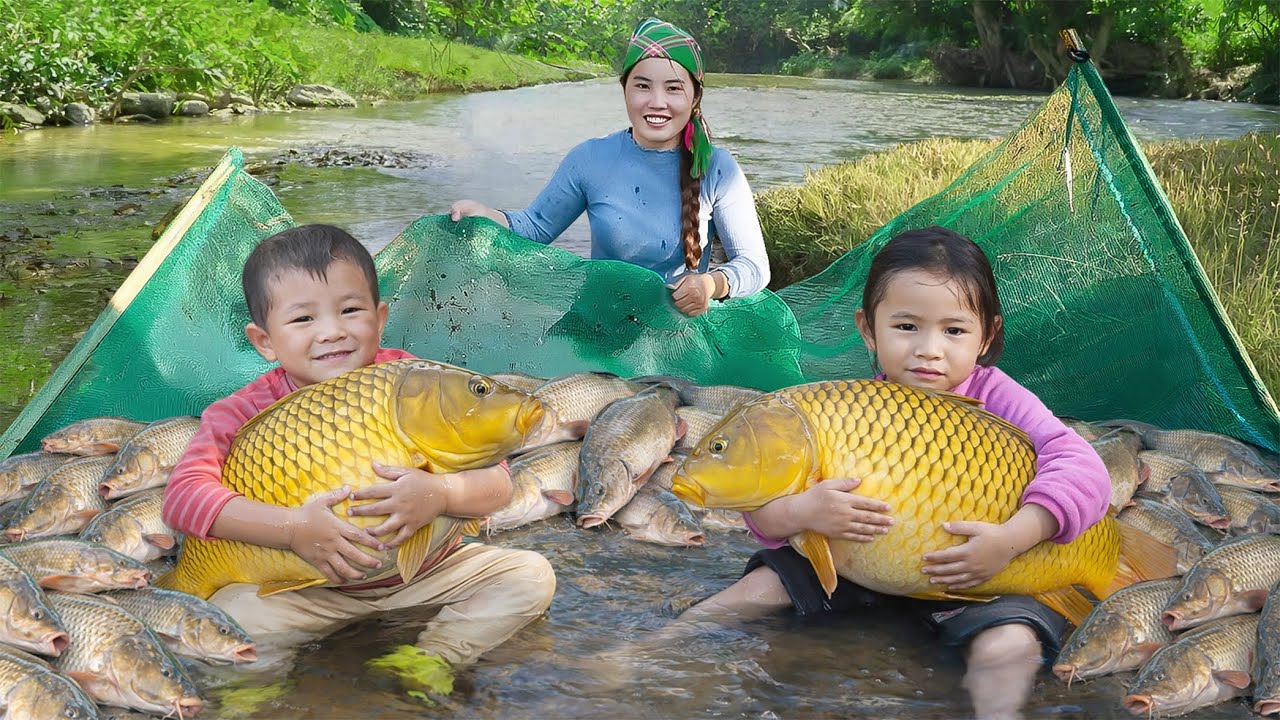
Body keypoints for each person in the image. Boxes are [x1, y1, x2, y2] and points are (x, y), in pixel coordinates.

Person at [677, 226, 1110, 720]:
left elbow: (1085, 468)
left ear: (987, 334)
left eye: (954, 330)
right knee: (758, 588)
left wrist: (1011, 540)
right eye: (906, 327)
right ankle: (652, 652)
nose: (929, 349)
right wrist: (802, 510)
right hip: (863, 571)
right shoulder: (848, 407)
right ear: (868, 328)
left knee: (1008, 645)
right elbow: (764, 517)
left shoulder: (1002, 398)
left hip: (984, 576)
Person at [161, 224, 556, 699]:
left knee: (530, 577)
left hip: (428, 574)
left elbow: (499, 487)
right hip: (309, 593)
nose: (332, 332)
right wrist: (293, 531)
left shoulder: (413, 379)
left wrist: (440, 493)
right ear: (265, 341)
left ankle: (434, 656)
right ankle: (256, 696)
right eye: (303, 320)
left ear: (379, 316)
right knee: (233, 618)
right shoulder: (238, 411)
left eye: (350, 310)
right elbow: (182, 500)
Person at [448, 17, 770, 317]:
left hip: (676, 334)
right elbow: (534, 227)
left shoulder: (718, 168)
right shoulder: (589, 159)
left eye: (673, 88)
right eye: (642, 86)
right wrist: (488, 216)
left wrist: (711, 284)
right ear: (625, 89)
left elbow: (755, 266)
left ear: (695, 96)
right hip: (598, 325)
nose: (657, 102)